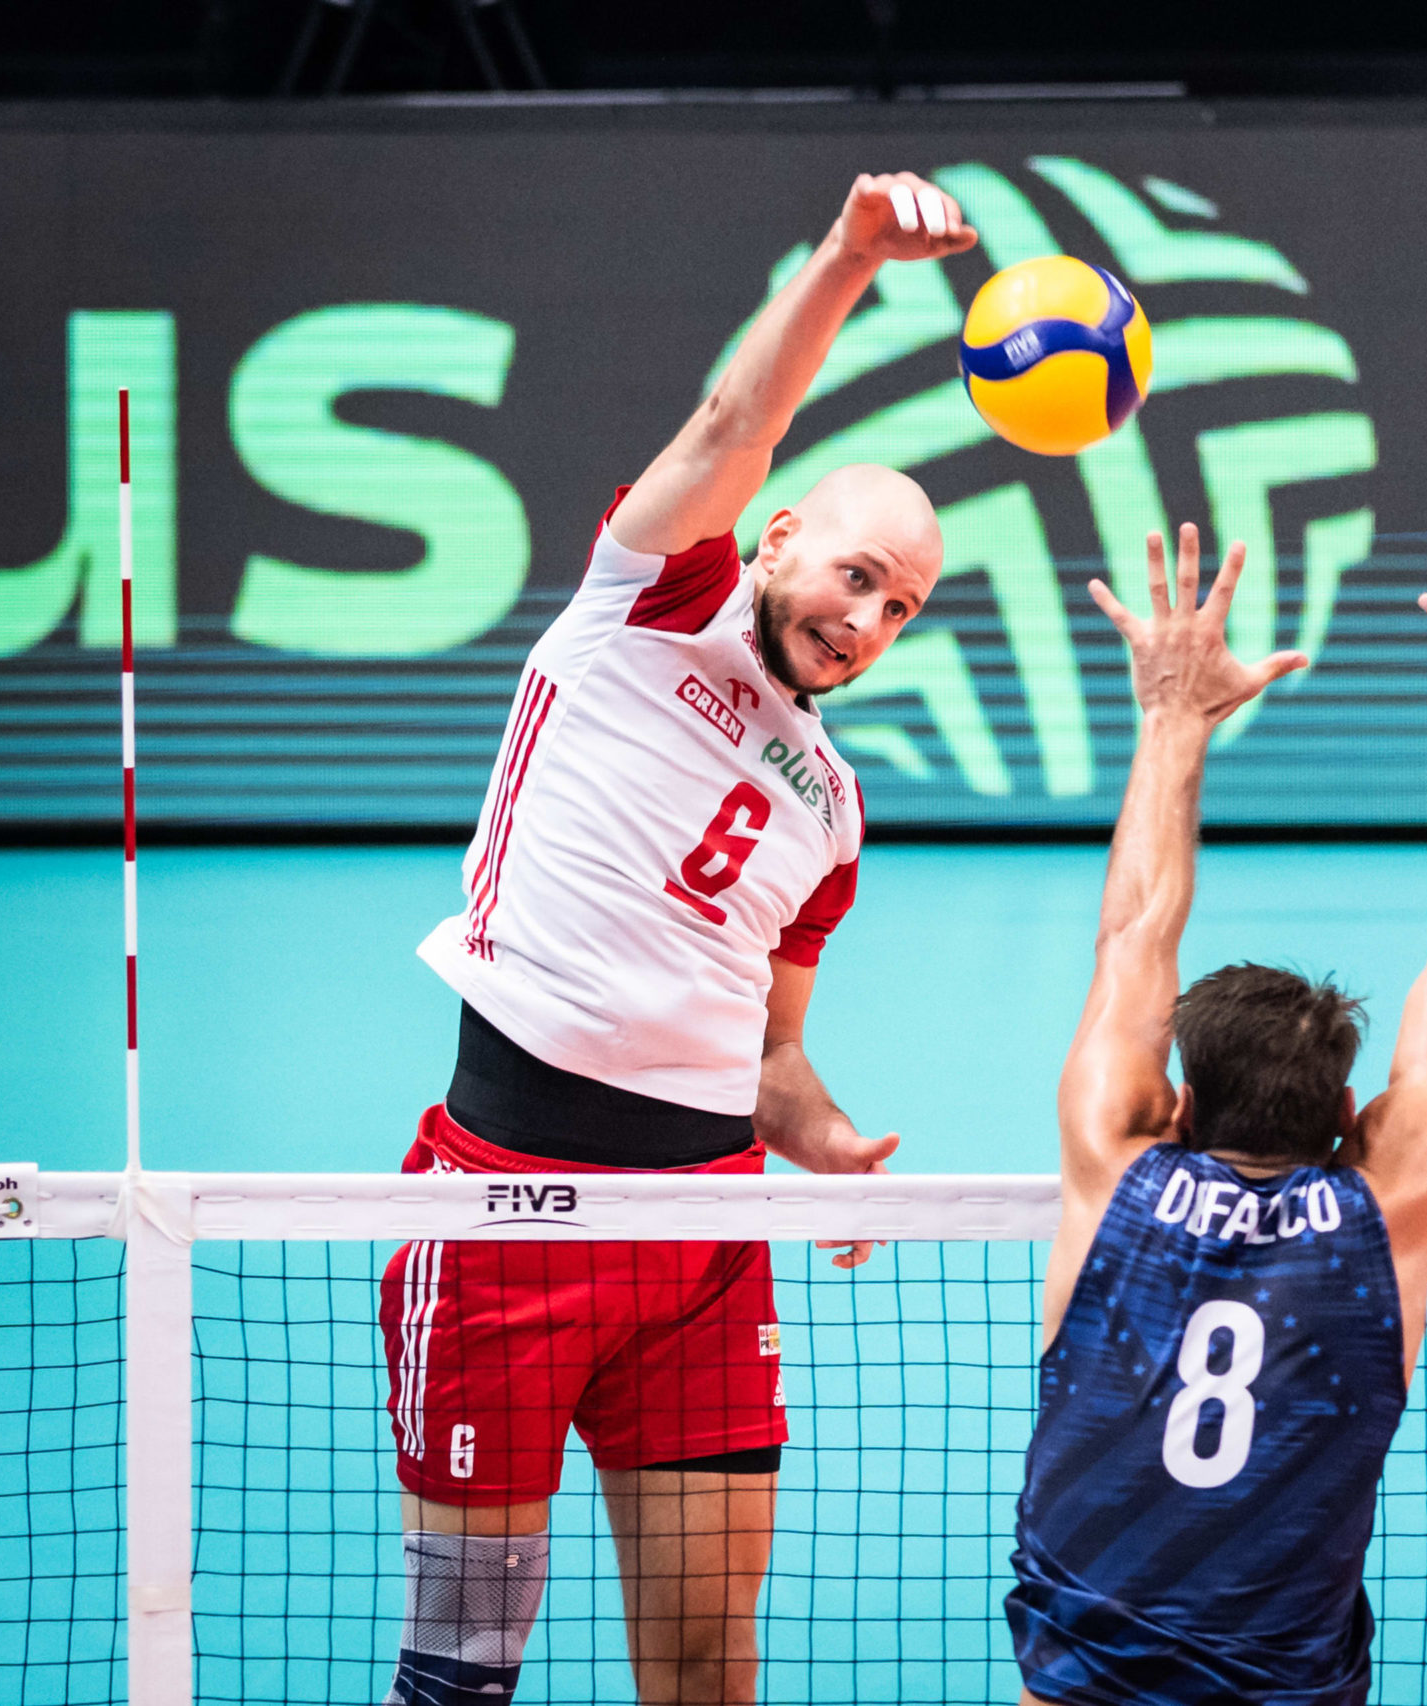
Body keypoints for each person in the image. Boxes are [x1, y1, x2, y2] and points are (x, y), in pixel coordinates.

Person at [376, 172, 978, 1706]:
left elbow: (770, 1053)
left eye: (902, 609)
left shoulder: (833, 808)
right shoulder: (650, 598)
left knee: (710, 1667)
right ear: (777, 541)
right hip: (509, 1210)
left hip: (707, 1239)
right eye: (856, 576)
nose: (867, 623)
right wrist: (850, 255)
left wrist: (822, 1134)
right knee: (462, 1672)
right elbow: (733, 420)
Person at [1004, 523, 1427, 1706]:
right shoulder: (1380, 1215)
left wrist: (1172, 715)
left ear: (1179, 1103)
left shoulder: (1113, 1167)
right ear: (1349, 1109)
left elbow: (1133, 933)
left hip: (1076, 1683)